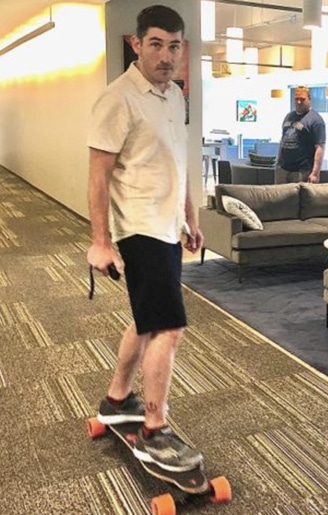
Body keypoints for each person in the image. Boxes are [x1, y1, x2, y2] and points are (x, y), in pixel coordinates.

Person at [86, 5, 204, 473]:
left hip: (167, 227)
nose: (166, 55)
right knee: (169, 327)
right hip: (137, 228)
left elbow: (180, 163)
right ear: (137, 45)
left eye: (174, 46)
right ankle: (154, 427)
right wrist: (100, 241)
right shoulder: (117, 99)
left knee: (147, 318)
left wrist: (190, 218)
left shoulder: (175, 95)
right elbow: (98, 177)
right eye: (156, 44)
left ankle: (117, 398)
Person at [276, 86, 326, 184]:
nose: (299, 102)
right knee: (278, 198)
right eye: (296, 99)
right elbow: (282, 141)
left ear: (309, 99)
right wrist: (278, 163)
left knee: (300, 199)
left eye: (302, 99)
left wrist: (315, 173)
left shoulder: (316, 120)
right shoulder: (289, 116)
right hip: (283, 169)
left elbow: (320, 147)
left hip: (302, 171)